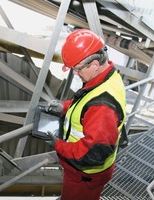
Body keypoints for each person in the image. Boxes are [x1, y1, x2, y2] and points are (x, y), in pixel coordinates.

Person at [46, 29, 126, 200]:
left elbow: (92, 154)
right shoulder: (106, 77)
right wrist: (65, 107)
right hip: (84, 173)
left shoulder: (103, 107)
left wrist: (59, 145)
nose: (75, 73)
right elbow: (86, 105)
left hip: (84, 176)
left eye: (77, 68)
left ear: (95, 64)